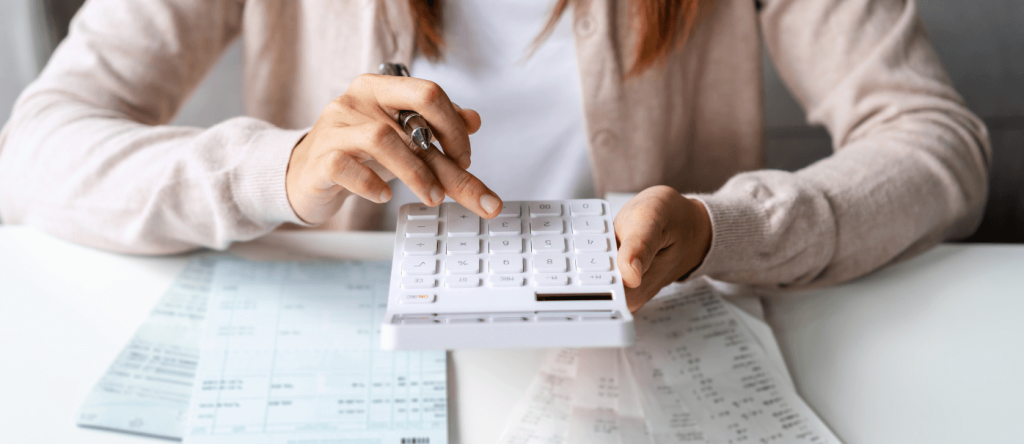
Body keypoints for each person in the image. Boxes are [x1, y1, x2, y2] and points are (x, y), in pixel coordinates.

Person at [0, 0, 989, 311]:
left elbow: (933, 142)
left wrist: (724, 228)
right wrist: (282, 167)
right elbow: (36, 147)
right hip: (346, 350)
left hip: (643, 346)